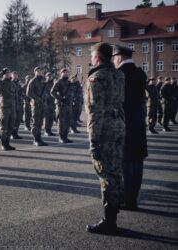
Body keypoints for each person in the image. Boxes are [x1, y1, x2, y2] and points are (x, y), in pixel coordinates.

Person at [85, 42, 125, 234]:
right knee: (116, 172)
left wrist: (93, 141)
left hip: (104, 131)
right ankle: (114, 214)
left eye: (92, 55)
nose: (91, 59)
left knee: (106, 175)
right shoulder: (119, 74)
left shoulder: (96, 78)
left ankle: (109, 221)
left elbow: (94, 112)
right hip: (118, 128)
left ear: (98, 57)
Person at [113, 45, 148, 211]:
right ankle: (133, 198)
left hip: (124, 123)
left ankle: (126, 199)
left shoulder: (119, 74)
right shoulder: (141, 73)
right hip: (139, 124)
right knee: (137, 161)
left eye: (114, 58)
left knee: (126, 162)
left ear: (119, 58)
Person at [0, 68, 16, 151]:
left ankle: (7, 143)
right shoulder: (1, 83)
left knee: (10, 127)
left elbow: (14, 95)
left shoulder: (12, 84)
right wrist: (1, 72)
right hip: (4, 107)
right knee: (3, 127)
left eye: (9, 73)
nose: (8, 74)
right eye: (6, 73)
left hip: (12, 107)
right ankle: (3, 144)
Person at [51, 68, 73, 143]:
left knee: (67, 121)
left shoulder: (69, 82)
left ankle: (65, 136)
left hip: (68, 104)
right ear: (61, 73)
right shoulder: (59, 81)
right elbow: (52, 92)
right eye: (64, 72)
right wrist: (60, 98)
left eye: (66, 72)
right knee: (61, 122)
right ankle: (61, 137)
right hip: (61, 104)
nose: (65, 73)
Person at [27, 67, 48, 146]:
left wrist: (44, 97)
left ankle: (39, 138)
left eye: (40, 71)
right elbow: (28, 93)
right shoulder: (33, 81)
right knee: (36, 123)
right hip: (36, 105)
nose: (39, 72)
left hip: (42, 104)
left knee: (40, 122)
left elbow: (45, 91)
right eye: (38, 71)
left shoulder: (42, 81)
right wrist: (37, 98)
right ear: (35, 72)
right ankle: (35, 139)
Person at [11, 71, 23, 139]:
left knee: (18, 119)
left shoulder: (19, 83)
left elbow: (23, 90)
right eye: (14, 75)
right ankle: (12, 133)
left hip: (19, 103)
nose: (15, 76)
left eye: (16, 75)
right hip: (13, 103)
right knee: (13, 119)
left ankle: (15, 133)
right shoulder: (10, 83)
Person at [43, 72, 56, 136]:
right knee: (47, 118)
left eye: (50, 76)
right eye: (48, 76)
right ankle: (46, 130)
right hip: (46, 103)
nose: (49, 77)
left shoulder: (53, 83)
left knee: (51, 117)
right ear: (46, 76)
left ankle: (49, 130)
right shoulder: (44, 84)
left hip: (52, 102)